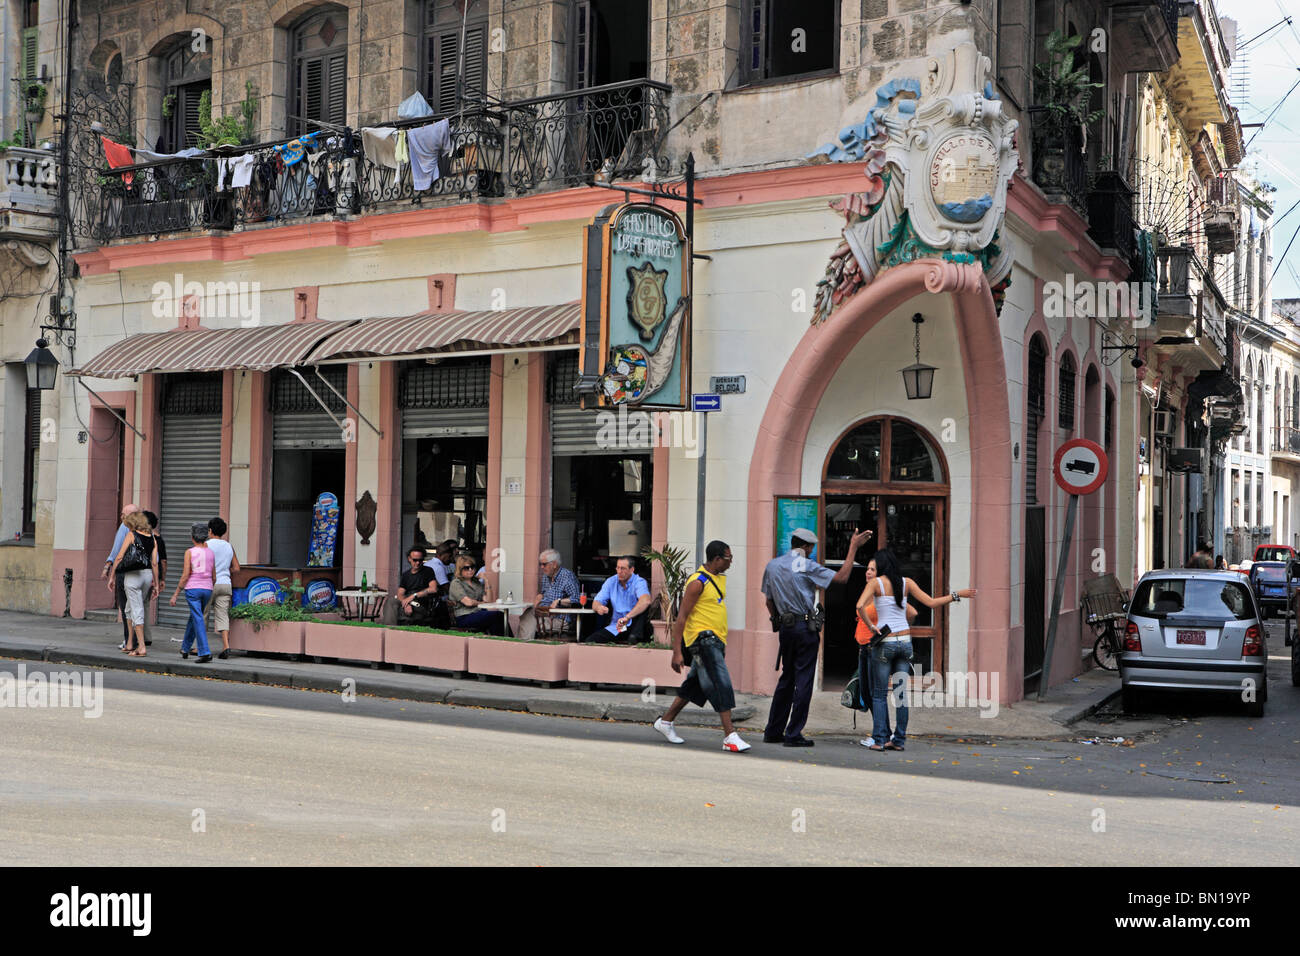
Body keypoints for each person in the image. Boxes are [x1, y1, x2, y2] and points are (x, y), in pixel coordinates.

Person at [762, 526, 873, 747]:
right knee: (803, 680)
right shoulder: (805, 565)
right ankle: (793, 734)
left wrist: (778, 620)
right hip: (804, 628)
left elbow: (769, 601)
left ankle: (773, 731)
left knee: (787, 679)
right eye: (811, 548)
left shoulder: (772, 565)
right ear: (806, 546)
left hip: (786, 628)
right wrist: (853, 547)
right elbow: (841, 577)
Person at [857, 548, 976, 752]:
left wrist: (871, 627)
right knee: (901, 694)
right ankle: (899, 740)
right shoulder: (906, 583)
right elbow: (931, 603)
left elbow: (860, 605)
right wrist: (957, 595)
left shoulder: (875, 584)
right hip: (905, 642)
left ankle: (880, 739)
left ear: (881, 566)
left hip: (885, 643)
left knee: (878, 694)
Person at [652, 540, 750, 753]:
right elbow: (682, 617)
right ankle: (730, 736)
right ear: (716, 559)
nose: (731, 562)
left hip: (715, 640)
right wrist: (676, 651)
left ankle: (665, 722)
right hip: (703, 640)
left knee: (693, 686)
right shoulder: (698, 582)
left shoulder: (715, 579)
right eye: (728, 558)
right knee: (721, 683)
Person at [852, 557, 917, 743]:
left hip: (877, 646)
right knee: (868, 693)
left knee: (877, 693)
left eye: (872, 570)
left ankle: (881, 735)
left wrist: (894, 628)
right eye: (868, 569)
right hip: (864, 647)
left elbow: (911, 612)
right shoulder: (868, 592)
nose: (868, 572)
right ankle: (886, 734)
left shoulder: (883, 594)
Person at [107, 511, 159, 657]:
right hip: (147, 575)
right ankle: (130, 643)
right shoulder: (152, 537)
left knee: (136, 609)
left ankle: (141, 647)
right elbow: (154, 562)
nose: (128, 527)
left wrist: (112, 577)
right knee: (130, 608)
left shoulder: (131, 535)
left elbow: (119, 557)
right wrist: (155, 583)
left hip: (133, 576)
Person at [170, 522, 215, 663]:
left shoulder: (189, 552)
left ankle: (204, 651)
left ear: (192, 537)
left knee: (198, 618)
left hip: (193, 589)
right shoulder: (211, 553)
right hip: (207, 589)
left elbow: (185, 575)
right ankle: (185, 647)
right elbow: (214, 576)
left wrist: (176, 593)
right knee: (195, 617)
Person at [102, 503, 139, 650]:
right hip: (144, 573)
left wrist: (109, 570)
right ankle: (140, 641)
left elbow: (117, 552)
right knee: (138, 608)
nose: (122, 517)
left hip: (127, 572)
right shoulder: (147, 528)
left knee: (126, 609)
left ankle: (129, 641)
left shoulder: (126, 528)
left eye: (124, 515)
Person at [591, 556, 652, 644]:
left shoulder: (639, 582)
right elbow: (596, 602)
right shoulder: (611, 581)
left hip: (635, 625)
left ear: (632, 570)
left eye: (623, 568)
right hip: (617, 626)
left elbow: (646, 601)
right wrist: (599, 607)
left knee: (643, 608)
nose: (619, 571)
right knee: (591, 641)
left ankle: (635, 637)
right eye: (618, 568)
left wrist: (627, 617)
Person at [206, 517, 241, 659]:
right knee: (222, 615)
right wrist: (224, 571)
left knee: (203, 615)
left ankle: (201, 647)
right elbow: (237, 568)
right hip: (225, 584)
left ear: (210, 530)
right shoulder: (228, 546)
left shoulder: (206, 545)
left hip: (209, 584)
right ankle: (226, 645)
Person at [448, 555, 502, 634]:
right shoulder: (456, 583)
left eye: (472, 567)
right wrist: (482, 603)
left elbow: (488, 600)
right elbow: (468, 602)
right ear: (460, 569)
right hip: (464, 616)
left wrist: (486, 581)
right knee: (497, 616)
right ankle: (506, 641)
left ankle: (502, 641)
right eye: (467, 568)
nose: (470, 570)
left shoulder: (476, 582)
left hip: (478, 613)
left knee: (499, 616)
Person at [143, 511, 167, 647]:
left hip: (140, 575)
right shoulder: (159, 539)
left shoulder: (139, 537)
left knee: (137, 605)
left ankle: (137, 637)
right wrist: (162, 579)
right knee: (145, 605)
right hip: (153, 576)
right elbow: (163, 561)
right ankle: (146, 636)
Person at [398, 546, 439, 624]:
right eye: (415, 560)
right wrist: (406, 604)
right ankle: (388, 627)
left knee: (403, 612)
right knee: (391, 602)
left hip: (421, 602)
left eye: (420, 560)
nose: (418, 563)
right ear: (409, 559)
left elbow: (433, 588)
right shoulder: (405, 575)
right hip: (408, 601)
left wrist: (414, 595)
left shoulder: (428, 571)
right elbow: (400, 593)